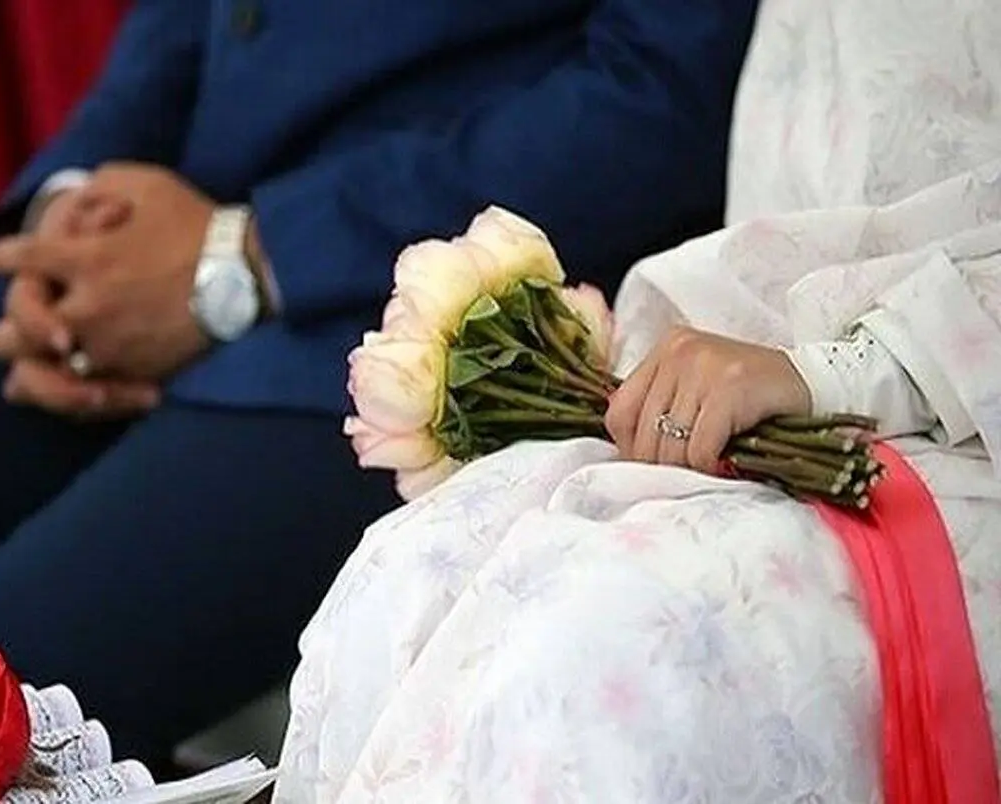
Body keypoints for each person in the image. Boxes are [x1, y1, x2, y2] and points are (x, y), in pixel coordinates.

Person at [0, 0, 760, 772]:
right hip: (154, 226)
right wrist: (69, 219)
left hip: (406, 324)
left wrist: (249, 256)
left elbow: (660, 92)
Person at [272, 0, 1001, 800]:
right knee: (413, 567)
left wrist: (847, 371)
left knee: (612, 641)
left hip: (955, 405)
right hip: (768, 327)